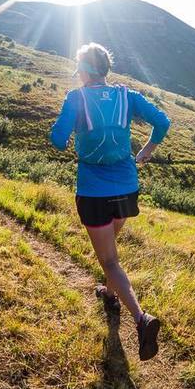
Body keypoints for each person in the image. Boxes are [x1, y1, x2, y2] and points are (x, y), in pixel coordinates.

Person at [49, 42, 171, 361]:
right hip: (127, 187)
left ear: (86, 71)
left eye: (78, 68)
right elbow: (163, 123)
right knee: (110, 254)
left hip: (93, 191)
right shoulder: (126, 96)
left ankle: (142, 319)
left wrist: (69, 126)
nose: (77, 74)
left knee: (110, 260)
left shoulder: (76, 99)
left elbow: (58, 141)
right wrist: (146, 151)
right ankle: (108, 293)